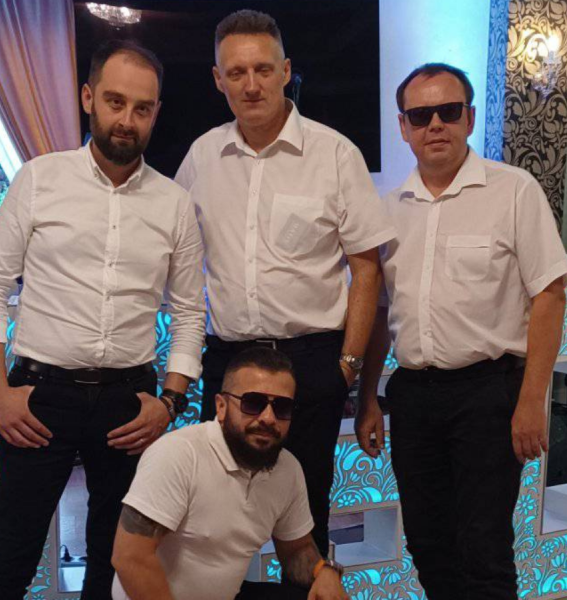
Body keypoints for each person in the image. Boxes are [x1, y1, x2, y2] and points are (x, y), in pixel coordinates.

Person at [0, 40, 205, 599]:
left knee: (116, 564)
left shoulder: (174, 203)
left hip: (130, 405)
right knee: (10, 561)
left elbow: (190, 313)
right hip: (39, 398)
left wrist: (169, 404)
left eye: (142, 108)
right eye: (115, 102)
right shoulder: (39, 179)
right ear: (87, 97)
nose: (127, 120)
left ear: (156, 113)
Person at [175, 9, 395, 557]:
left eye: (263, 69)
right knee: (214, 513)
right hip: (228, 364)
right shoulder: (202, 157)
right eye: (237, 72)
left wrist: (346, 368)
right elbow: (174, 251)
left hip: (310, 365)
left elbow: (367, 268)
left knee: (305, 514)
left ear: (286, 71)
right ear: (218, 79)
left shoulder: (335, 154)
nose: (251, 84)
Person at [355, 63, 567, 599]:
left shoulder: (514, 190)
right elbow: (380, 312)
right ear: (403, 126)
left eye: (448, 112)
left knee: (484, 548)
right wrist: (368, 397)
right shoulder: (388, 210)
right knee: (427, 542)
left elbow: (550, 295)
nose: (435, 125)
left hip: (487, 395)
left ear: (469, 118)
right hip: (412, 397)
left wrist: (531, 402)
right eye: (420, 115)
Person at [111, 347, 348, 600]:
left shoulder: (287, 469)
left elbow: (296, 549)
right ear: (221, 406)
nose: (268, 418)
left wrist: (324, 571)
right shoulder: (179, 454)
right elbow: (130, 558)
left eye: (282, 407)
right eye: (253, 403)